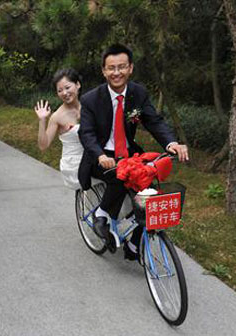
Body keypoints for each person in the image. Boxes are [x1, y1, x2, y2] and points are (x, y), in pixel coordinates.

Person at [78, 44, 189, 261]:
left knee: (150, 195)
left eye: (121, 67)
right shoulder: (91, 99)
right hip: (100, 157)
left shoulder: (138, 93)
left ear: (130, 68)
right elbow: (87, 133)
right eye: (111, 68)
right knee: (121, 177)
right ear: (104, 71)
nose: (116, 72)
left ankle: (134, 244)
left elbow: (153, 121)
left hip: (128, 154)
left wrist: (171, 143)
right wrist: (100, 155)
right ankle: (102, 214)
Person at [34, 68, 83, 190]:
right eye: (60, 90)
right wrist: (42, 120)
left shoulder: (88, 106)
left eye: (67, 88)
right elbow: (43, 145)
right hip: (74, 164)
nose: (64, 93)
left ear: (77, 85)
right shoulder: (57, 116)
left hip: (92, 156)